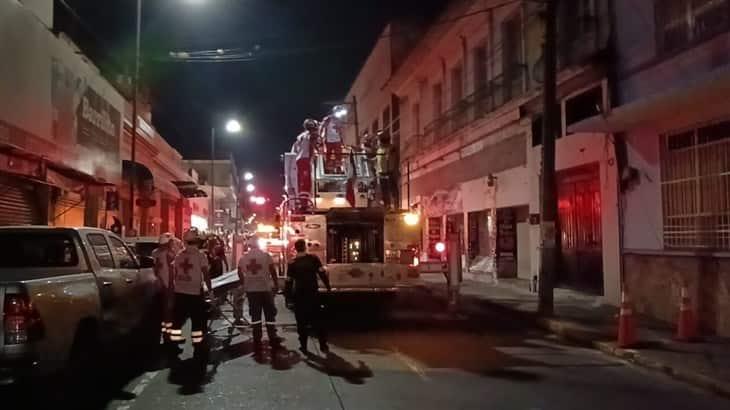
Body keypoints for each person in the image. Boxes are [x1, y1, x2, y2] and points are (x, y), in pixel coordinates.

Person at [169, 228, 211, 363]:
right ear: (197, 241)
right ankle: (198, 348)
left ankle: (173, 346)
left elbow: (173, 273)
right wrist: (210, 290)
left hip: (180, 293)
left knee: (177, 322)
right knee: (198, 323)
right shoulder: (200, 256)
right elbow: (206, 274)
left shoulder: (179, 255)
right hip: (194, 294)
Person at [286, 239, 331, 354]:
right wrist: (328, 286)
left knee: (301, 322)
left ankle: (303, 346)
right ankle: (323, 345)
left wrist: (288, 297)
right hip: (312, 294)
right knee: (318, 320)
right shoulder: (313, 259)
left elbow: (289, 281)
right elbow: (321, 273)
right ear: (305, 247)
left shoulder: (292, 263)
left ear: (295, 249)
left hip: (299, 295)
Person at [237, 236, 281, 352]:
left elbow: (239, 272)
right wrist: (276, 284)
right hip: (265, 289)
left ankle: (257, 339)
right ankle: (273, 338)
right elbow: (273, 271)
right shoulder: (266, 256)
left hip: (251, 291)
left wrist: (244, 283)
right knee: (269, 315)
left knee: (255, 316)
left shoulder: (244, 258)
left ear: (249, 245)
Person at [151, 232, 176, 343]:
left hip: (158, 286)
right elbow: (171, 272)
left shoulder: (155, 253)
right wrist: (172, 287)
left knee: (161, 312)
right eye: (171, 242)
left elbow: (155, 270)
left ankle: (161, 335)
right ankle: (168, 337)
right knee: (168, 313)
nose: (172, 243)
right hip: (167, 286)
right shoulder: (169, 254)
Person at [291, 118, 319, 200]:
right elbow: (313, 145)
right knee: (307, 180)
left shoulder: (300, 136)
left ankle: (302, 197)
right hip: (305, 159)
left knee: (302, 179)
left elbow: (294, 150)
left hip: (299, 159)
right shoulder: (311, 135)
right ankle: (305, 199)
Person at [375, 130, 398, 209]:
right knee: (384, 191)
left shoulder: (391, 147)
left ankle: (396, 206)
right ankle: (386, 206)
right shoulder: (379, 149)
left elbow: (394, 156)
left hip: (390, 172)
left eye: (380, 138)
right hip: (381, 174)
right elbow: (376, 159)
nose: (379, 140)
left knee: (393, 190)